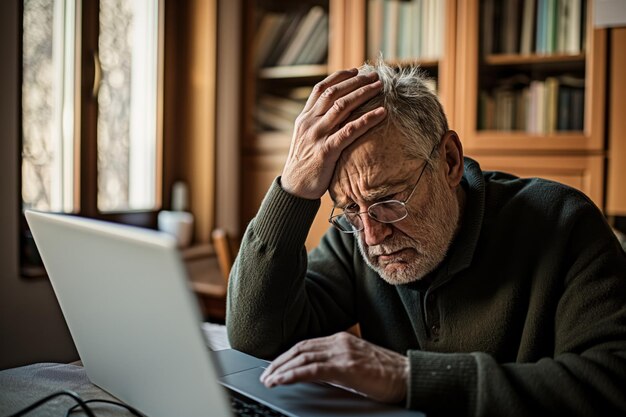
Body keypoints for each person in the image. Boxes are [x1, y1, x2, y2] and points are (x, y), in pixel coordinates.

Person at [226, 61, 626, 416]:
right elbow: (255, 337)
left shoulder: (564, 221)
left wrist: (410, 378)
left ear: (449, 161)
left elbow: (612, 382)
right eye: (349, 209)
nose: (372, 234)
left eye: (388, 199)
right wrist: (292, 189)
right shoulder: (357, 237)